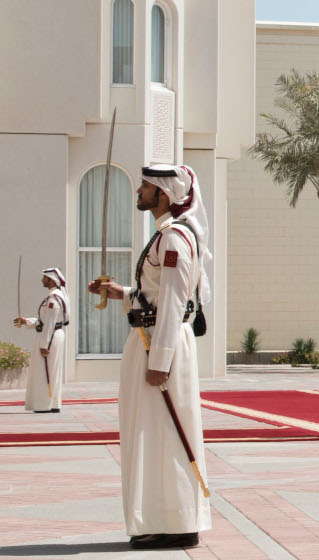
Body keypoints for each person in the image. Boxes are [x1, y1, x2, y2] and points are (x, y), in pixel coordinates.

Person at [87, 163, 212, 549]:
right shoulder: (163, 237)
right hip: (152, 337)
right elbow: (156, 296)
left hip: (161, 343)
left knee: (167, 435)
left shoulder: (174, 239)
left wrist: (160, 362)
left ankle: (176, 522)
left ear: (163, 194)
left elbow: (175, 303)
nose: (137, 192)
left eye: (144, 187)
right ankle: (160, 519)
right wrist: (120, 293)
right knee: (151, 433)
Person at [12, 267, 71, 413]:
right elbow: (43, 320)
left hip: (50, 336)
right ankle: (53, 404)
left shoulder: (53, 299)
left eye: (44, 278)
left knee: (45, 371)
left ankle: (44, 405)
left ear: (51, 280)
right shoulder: (54, 296)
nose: (42, 280)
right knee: (51, 370)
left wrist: (45, 345)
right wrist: (26, 321)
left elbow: (50, 324)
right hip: (51, 334)